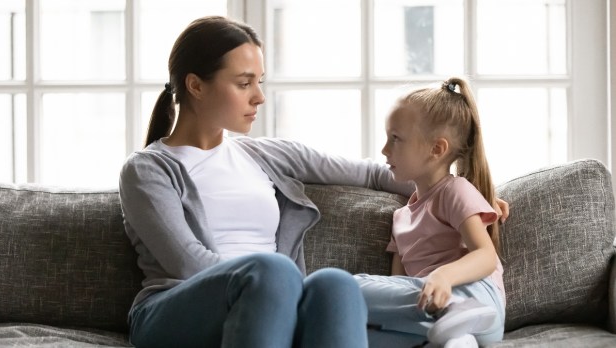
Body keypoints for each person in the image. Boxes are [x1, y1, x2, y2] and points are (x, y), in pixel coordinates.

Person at [118, 15, 420, 348]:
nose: (259, 97)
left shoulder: (264, 155)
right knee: (273, 271)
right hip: (173, 310)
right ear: (196, 86)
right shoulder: (147, 170)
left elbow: (374, 174)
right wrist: (277, 281)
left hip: (273, 295)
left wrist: (463, 190)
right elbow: (188, 264)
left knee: (337, 286)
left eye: (259, 82)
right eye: (244, 83)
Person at [355, 77, 506, 348]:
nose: (384, 150)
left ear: (436, 149)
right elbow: (398, 287)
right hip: (430, 311)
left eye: (395, 139)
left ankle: (454, 313)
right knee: (360, 331)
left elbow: (486, 257)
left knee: (346, 287)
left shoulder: (454, 191)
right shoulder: (400, 218)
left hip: (478, 299)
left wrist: (443, 276)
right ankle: (458, 339)